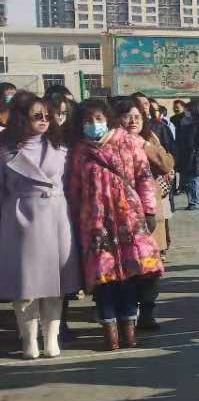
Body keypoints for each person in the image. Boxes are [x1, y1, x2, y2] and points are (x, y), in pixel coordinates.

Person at [67, 98, 164, 351]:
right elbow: (74, 190)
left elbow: (144, 177)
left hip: (128, 219)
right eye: (88, 120)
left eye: (98, 119)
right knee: (103, 276)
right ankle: (109, 332)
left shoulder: (128, 142)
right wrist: (74, 220)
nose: (93, 124)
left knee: (129, 274)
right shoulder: (79, 151)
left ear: (108, 119)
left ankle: (129, 328)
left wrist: (149, 210)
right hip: (95, 223)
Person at [0, 92, 81, 359]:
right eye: (37, 115)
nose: (44, 120)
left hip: (57, 217)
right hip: (20, 219)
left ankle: (52, 339)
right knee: (24, 287)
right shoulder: (5, 150)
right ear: (21, 118)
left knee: (56, 285)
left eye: (47, 115)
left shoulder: (61, 147)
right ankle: (28, 341)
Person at [115, 97, 174, 328]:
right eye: (127, 116)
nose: (133, 121)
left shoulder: (150, 139)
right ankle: (126, 314)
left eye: (137, 117)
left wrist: (145, 146)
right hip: (122, 213)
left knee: (150, 267)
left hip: (151, 213)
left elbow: (167, 163)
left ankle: (147, 312)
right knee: (127, 266)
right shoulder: (110, 143)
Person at [173, 102, 199, 209]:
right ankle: (193, 200)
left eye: (187, 110)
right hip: (184, 154)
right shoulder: (183, 121)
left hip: (195, 155)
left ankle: (195, 201)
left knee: (193, 178)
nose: (186, 112)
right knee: (187, 180)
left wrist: (195, 150)